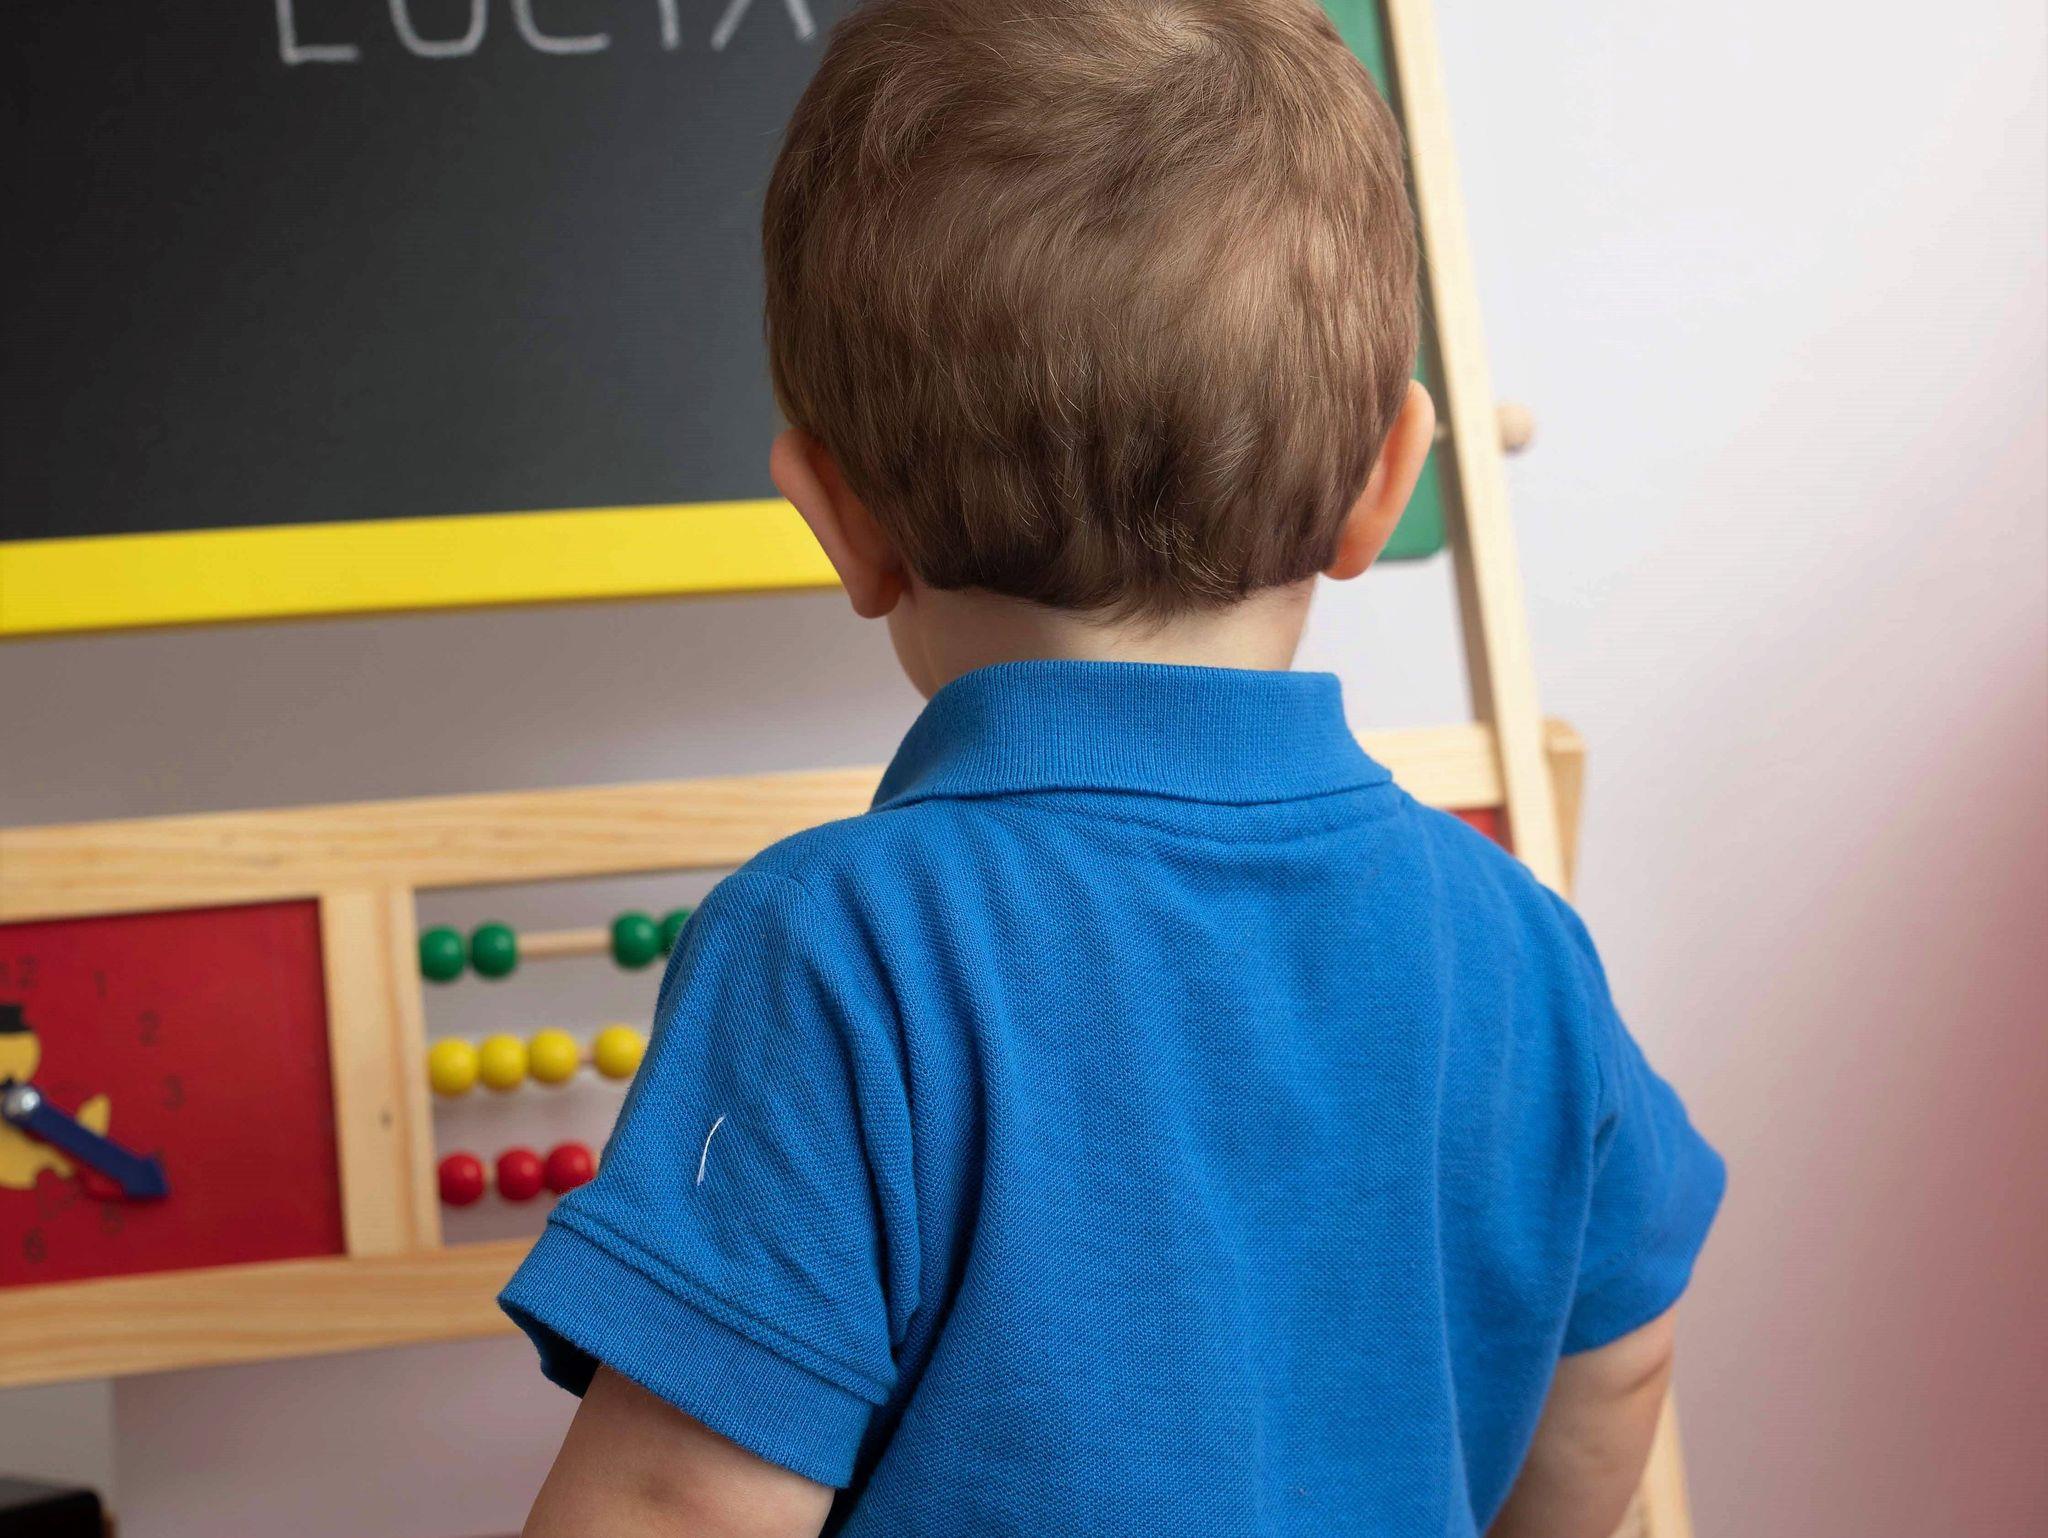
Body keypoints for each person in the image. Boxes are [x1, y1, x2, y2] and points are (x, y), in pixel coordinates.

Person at [501, 2, 1724, 1532]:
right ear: (1384, 486)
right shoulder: (1516, 941)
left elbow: (677, 1501)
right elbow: (1619, 1352)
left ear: (839, 520)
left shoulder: (833, 949)